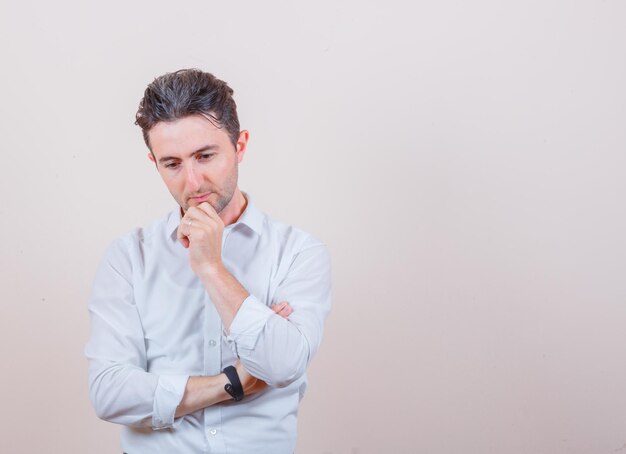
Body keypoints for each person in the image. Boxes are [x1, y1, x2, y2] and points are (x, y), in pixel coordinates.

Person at [85, 69, 332, 453]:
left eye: (205, 155)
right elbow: (110, 393)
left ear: (240, 146)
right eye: (173, 164)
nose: (194, 181)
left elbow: (283, 365)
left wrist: (211, 268)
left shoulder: (298, 252)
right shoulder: (129, 257)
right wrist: (231, 381)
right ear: (155, 163)